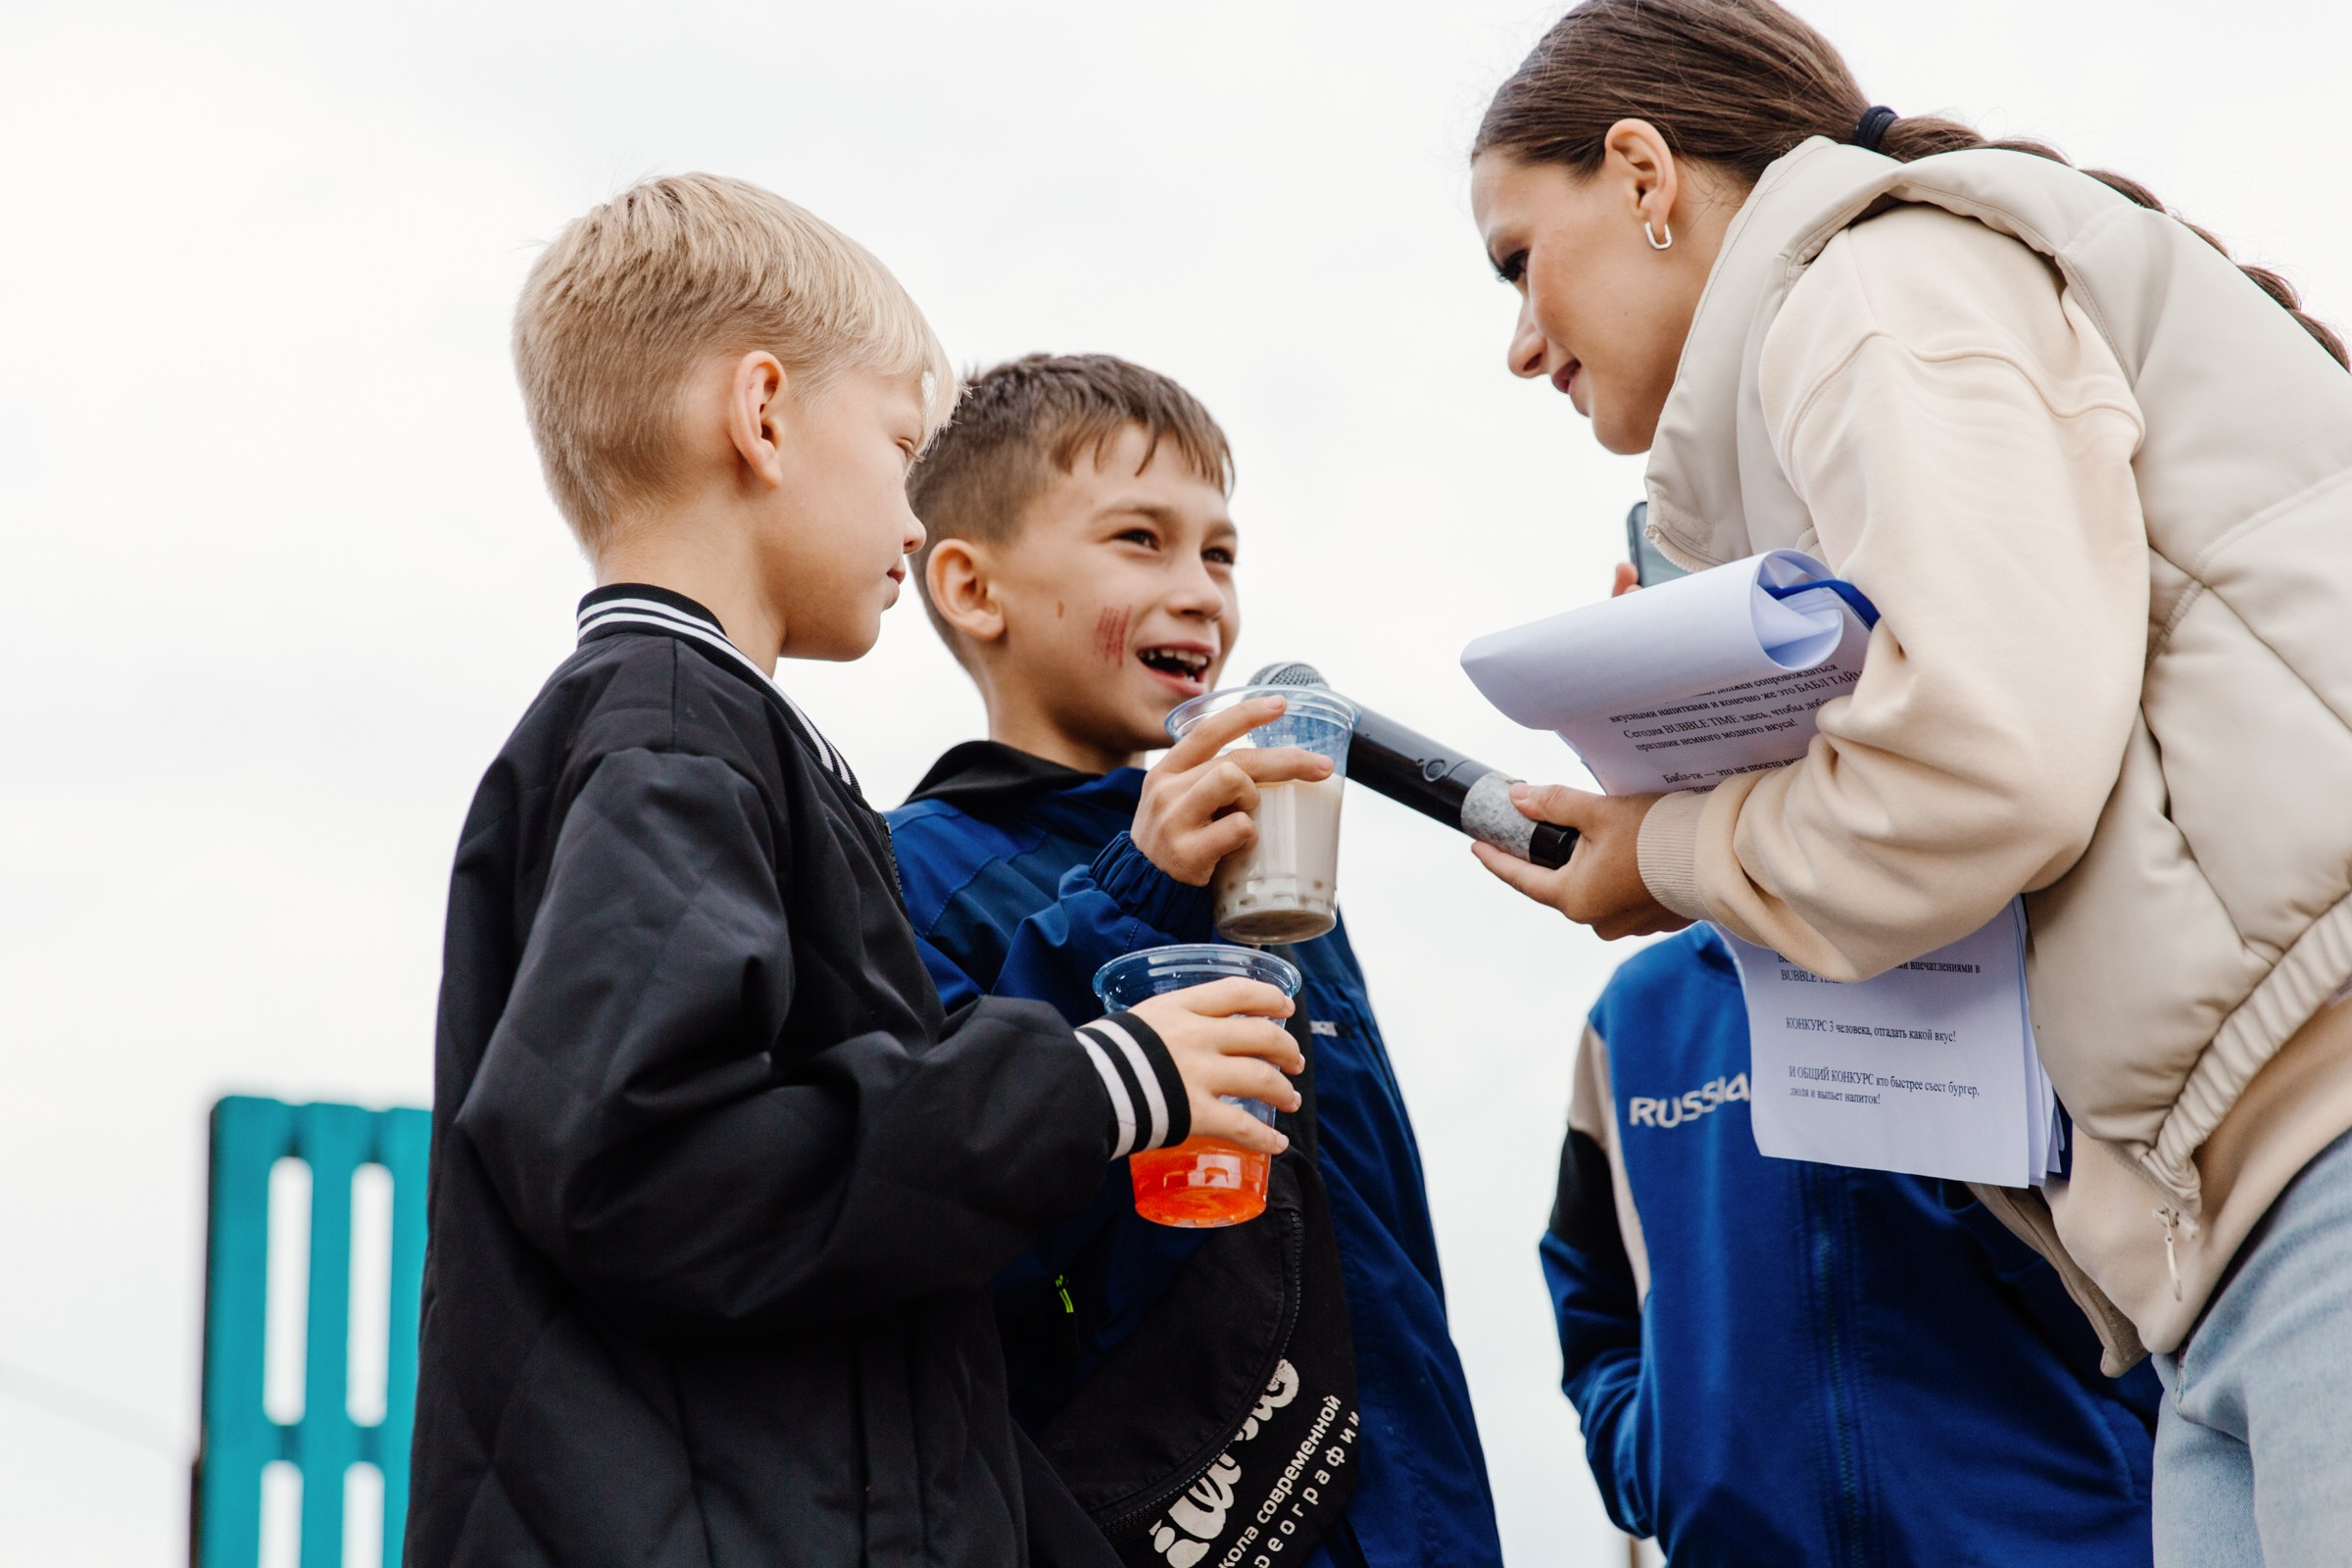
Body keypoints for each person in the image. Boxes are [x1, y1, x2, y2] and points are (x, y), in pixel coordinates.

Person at [1466, 3, 2352, 1559]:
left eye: (1514, 258)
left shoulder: (1873, 284)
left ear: (1642, 171)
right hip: (2214, 1246)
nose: (1518, 339)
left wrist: (1667, 854)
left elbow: (1979, 771)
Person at [407, 177, 1308, 1568]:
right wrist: (1102, 1080)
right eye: (901, 449)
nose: (909, 520)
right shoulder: (671, 732)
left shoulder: (695, 734)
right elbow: (643, 1161)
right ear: (762, 415)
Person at [884, 354, 1503, 1568]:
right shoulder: (911, 871)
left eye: (1220, 555)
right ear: (971, 585)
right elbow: (960, 1212)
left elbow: (1375, 1253)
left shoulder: (1274, 879)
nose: (1199, 592)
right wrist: (1137, 890)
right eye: (1140, 540)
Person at [1547, 563, 2159, 1566]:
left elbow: (2150, 1220)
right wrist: (1655, 1453)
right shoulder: (1633, 1020)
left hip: (2063, 1538)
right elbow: (1593, 1299)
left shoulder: (2004, 922)